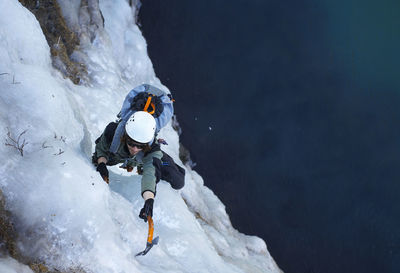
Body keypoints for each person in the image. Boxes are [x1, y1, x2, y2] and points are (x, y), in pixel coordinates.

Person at [92, 110, 185, 222]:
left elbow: (150, 175)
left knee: (177, 180)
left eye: (140, 146)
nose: (135, 149)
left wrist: (149, 200)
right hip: (119, 154)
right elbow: (101, 149)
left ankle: (163, 164)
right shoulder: (113, 132)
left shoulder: (152, 150)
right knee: (96, 161)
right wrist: (102, 163)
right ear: (125, 137)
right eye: (131, 143)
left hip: (149, 160)